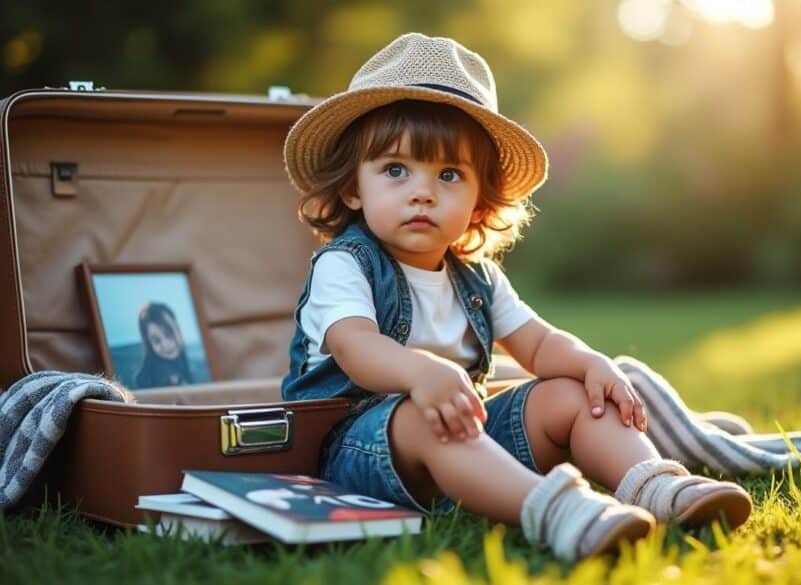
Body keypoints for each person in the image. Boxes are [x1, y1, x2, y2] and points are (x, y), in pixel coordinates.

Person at [280, 33, 752, 562]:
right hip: (358, 449)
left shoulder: (476, 278)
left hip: (470, 443)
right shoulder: (345, 264)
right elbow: (354, 346)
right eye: (395, 170)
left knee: (572, 394)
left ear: (479, 202)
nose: (422, 192)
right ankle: (558, 512)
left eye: (449, 175)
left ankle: (657, 487)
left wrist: (590, 363)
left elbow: (539, 343)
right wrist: (420, 374)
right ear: (352, 188)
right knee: (426, 414)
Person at [134, 302, 192, 389]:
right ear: (149, 344)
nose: (165, 345)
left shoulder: (184, 361)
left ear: (178, 329)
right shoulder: (157, 376)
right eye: (156, 340)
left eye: (168, 334)